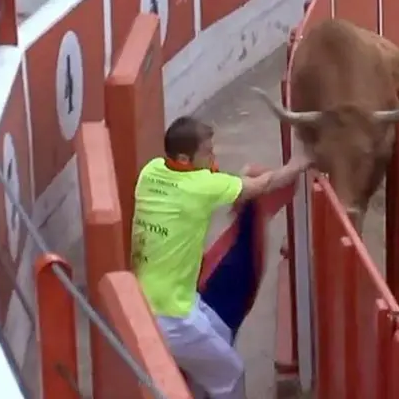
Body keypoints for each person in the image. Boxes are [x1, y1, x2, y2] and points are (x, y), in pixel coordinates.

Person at [131, 116, 312, 398]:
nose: (213, 156)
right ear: (183, 157)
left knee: (221, 336)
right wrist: (300, 163)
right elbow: (262, 185)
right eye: (207, 152)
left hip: (150, 300)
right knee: (231, 371)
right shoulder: (201, 186)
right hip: (172, 315)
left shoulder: (150, 171)